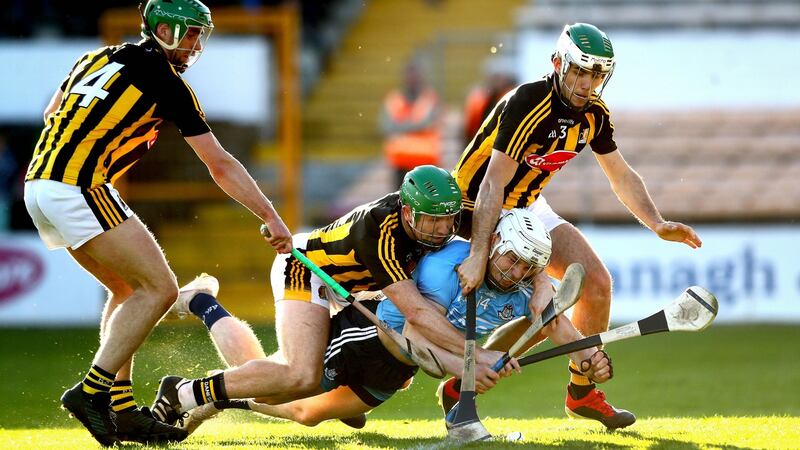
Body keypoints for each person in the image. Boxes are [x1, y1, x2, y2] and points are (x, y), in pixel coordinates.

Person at [22, 0, 291, 445]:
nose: (196, 44)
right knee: (161, 290)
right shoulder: (166, 82)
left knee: (127, 290)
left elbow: (53, 112)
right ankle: (91, 392)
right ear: (162, 29)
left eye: (199, 35)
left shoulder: (96, 56)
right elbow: (219, 164)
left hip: (39, 182)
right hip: (77, 184)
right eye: (189, 33)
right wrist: (269, 214)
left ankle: (122, 408)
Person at [160, 209, 615, 435]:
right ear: (494, 243)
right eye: (511, 260)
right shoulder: (447, 267)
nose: (514, 272)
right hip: (375, 336)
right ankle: (204, 308)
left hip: (397, 370)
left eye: (526, 269)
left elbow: (555, 322)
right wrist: (473, 362)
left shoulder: (523, 285)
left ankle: (225, 395)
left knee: (307, 416)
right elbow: (417, 329)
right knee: (288, 382)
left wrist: (588, 355)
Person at [451, 23, 702, 427]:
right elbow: (493, 181)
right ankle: (462, 384)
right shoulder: (529, 101)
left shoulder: (595, 114)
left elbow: (619, 175)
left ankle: (582, 393)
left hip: (528, 206)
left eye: (597, 75)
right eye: (580, 72)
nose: (587, 84)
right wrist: (480, 251)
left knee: (597, 284)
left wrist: (656, 223)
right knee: (541, 305)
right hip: (476, 205)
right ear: (558, 64)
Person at [150, 166, 512, 425]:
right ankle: (186, 392)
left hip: (357, 288)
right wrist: (476, 354)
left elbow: (503, 230)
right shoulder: (378, 229)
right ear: (406, 211)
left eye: (448, 221)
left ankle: (203, 304)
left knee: (277, 379)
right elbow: (415, 312)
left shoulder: (444, 213)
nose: (442, 230)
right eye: (432, 221)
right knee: (300, 375)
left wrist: (538, 280)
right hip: (308, 270)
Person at [380, 59, 443, 189]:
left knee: (427, 205)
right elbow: (386, 126)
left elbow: (428, 123)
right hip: (401, 162)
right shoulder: (395, 99)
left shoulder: (429, 98)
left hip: (425, 162)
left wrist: (402, 127)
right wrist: (416, 125)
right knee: (400, 203)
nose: (412, 78)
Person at [462, 57, 518, 144]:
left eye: (500, 78)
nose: (497, 82)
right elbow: (469, 128)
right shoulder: (478, 97)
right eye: (495, 77)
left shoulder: (514, 97)